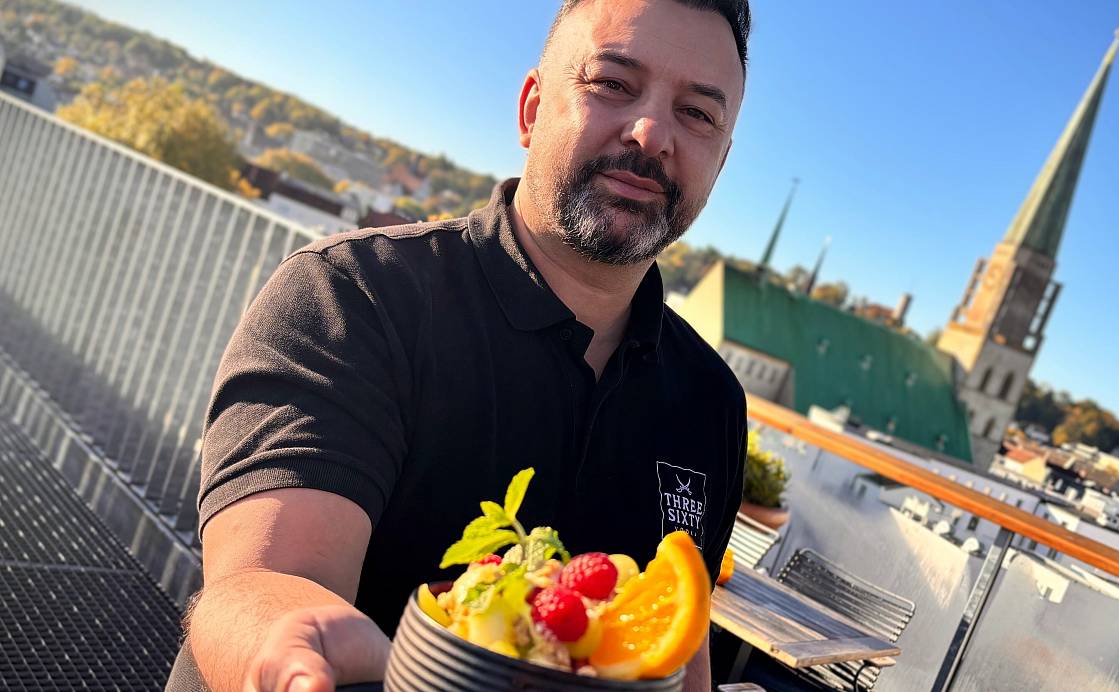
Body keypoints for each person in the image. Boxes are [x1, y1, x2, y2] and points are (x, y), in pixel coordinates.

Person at [173, 1, 751, 689]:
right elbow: (263, 579)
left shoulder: (712, 403)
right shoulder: (355, 297)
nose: (653, 133)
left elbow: (679, 641)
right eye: (613, 84)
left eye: (698, 115)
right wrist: (285, 640)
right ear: (532, 110)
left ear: (719, 163)